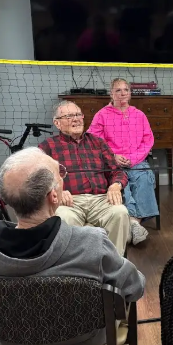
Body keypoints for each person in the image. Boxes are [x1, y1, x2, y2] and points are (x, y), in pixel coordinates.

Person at [0, 148, 145, 345]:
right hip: (86, 342)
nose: (63, 176)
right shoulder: (92, 242)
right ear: (54, 196)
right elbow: (134, 287)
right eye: (59, 174)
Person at [39, 100, 130, 255]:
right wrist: (56, 189)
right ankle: (76, 270)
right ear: (57, 123)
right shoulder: (47, 146)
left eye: (78, 114)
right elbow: (39, 177)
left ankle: (113, 265)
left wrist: (116, 185)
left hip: (101, 199)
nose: (76, 119)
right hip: (69, 201)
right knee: (63, 216)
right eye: (69, 116)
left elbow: (117, 171)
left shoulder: (98, 142)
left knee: (120, 212)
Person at [87, 78, 158, 246]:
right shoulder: (102, 115)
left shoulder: (139, 115)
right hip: (112, 163)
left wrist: (133, 159)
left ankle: (133, 223)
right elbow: (94, 141)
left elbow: (148, 141)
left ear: (130, 93)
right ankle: (134, 223)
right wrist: (113, 156)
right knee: (120, 184)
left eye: (126, 90)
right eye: (118, 90)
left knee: (143, 178)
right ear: (111, 94)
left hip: (137, 162)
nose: (123, 93)